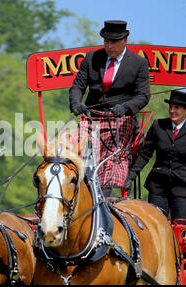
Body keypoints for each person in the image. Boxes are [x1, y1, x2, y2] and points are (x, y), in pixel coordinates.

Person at [69, 20, 151, 197]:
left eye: (114, 42)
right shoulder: (91, 58)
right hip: (91, 118)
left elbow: (143, 96)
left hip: (120, 120)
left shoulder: (138, 63)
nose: (110, 45)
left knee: (108, 162)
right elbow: (77, 87)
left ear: (125, 40)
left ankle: (104, 197)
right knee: (76, 153)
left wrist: (126, 107)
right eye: (106, 41)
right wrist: (76, 103)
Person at [124, 90, 186, 224]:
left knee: (178, 230)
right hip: (158, 187)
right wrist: (131, 176)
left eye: (176, 108)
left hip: (182, 189)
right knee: (156, 226)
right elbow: (145, 154)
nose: (172, 111)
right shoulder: (158, 126)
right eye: (170, 107)